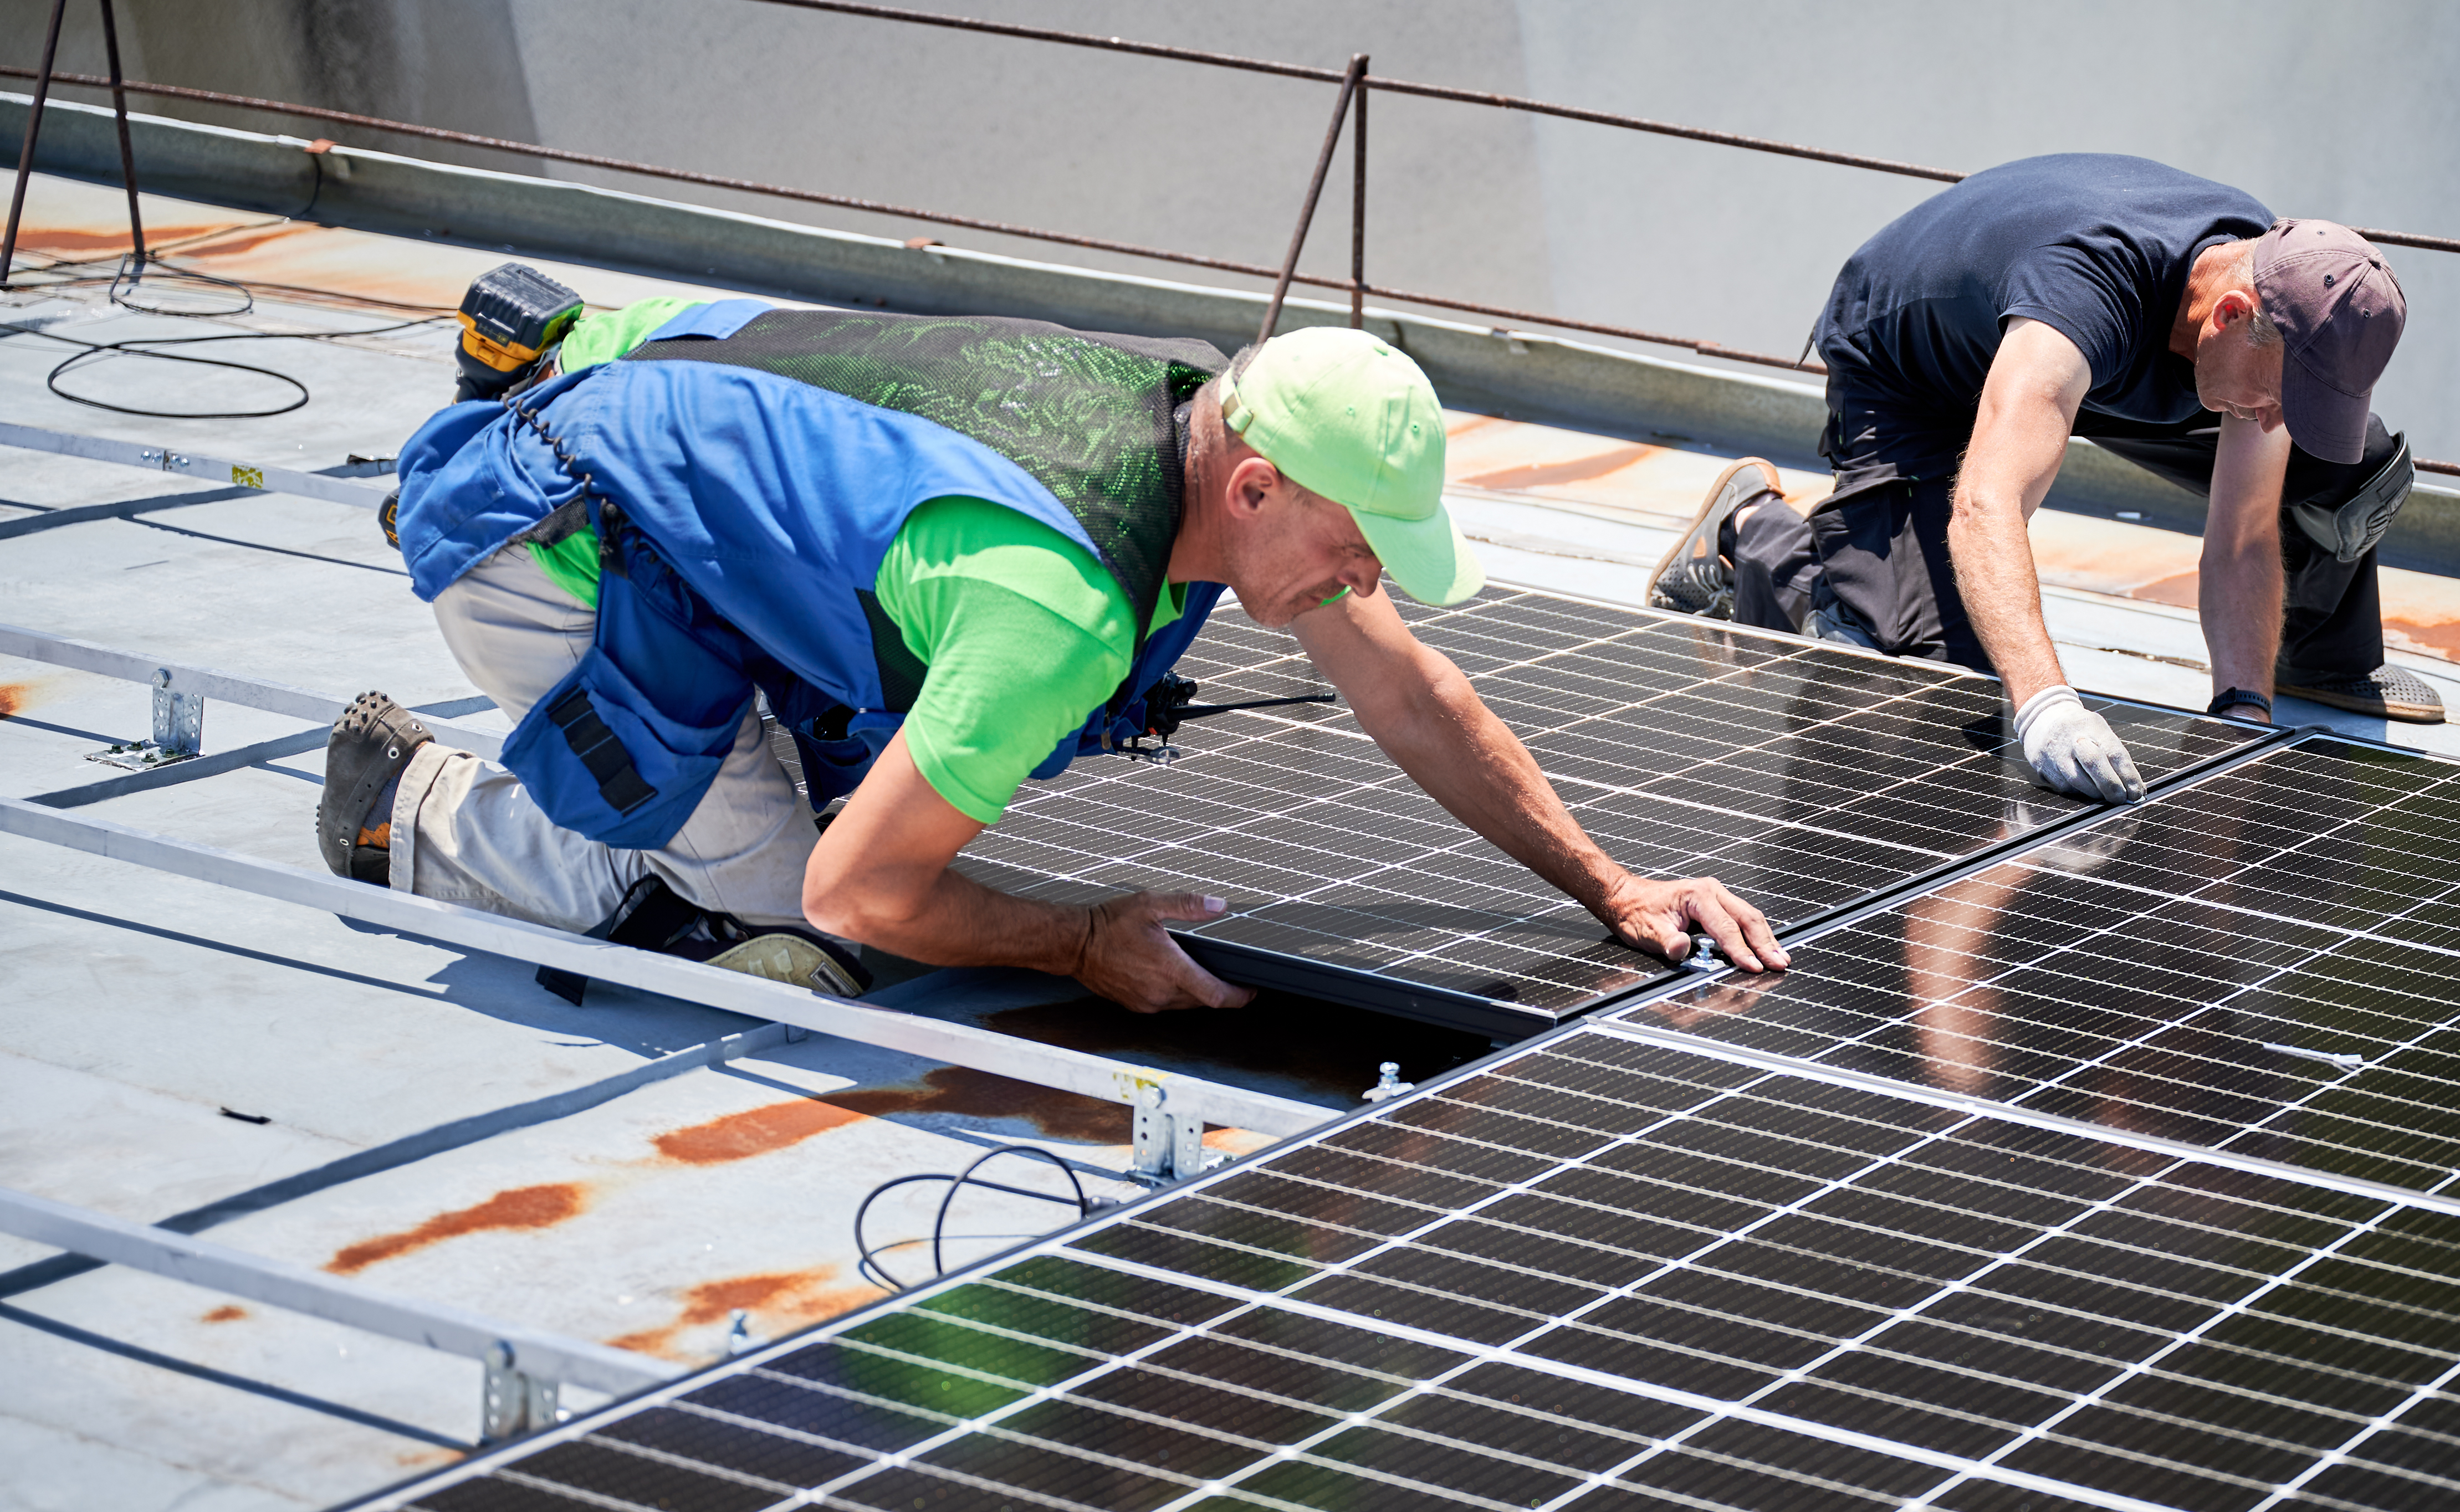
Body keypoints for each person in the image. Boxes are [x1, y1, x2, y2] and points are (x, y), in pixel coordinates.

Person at [326, 303, 1784, 1007]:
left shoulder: (1194, 433)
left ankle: (698, 791)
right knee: (807, 903)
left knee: (877, 809)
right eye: (1361, 541)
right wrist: (1076, 941)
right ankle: (422, 819)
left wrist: (1609, 883)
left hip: (707, 443)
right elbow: (857, 890)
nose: (1370, 579)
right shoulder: (1058, 608)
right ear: (1258, 485)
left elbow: (1411, 691)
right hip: (558, 529)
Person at [1646, 153, 2438, 803]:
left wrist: (2242, 708)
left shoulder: (2279, 288)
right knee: (1923, 669)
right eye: (2278, 394)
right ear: (2229, 316)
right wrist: (2048, 705)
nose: (2275, 418)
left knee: (2344, 466)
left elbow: (2242, 536)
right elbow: (1986, 507)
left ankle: (2313, 658)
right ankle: (1750, 534)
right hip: (1915, 373)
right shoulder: (2080, 297)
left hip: (2081, 352)